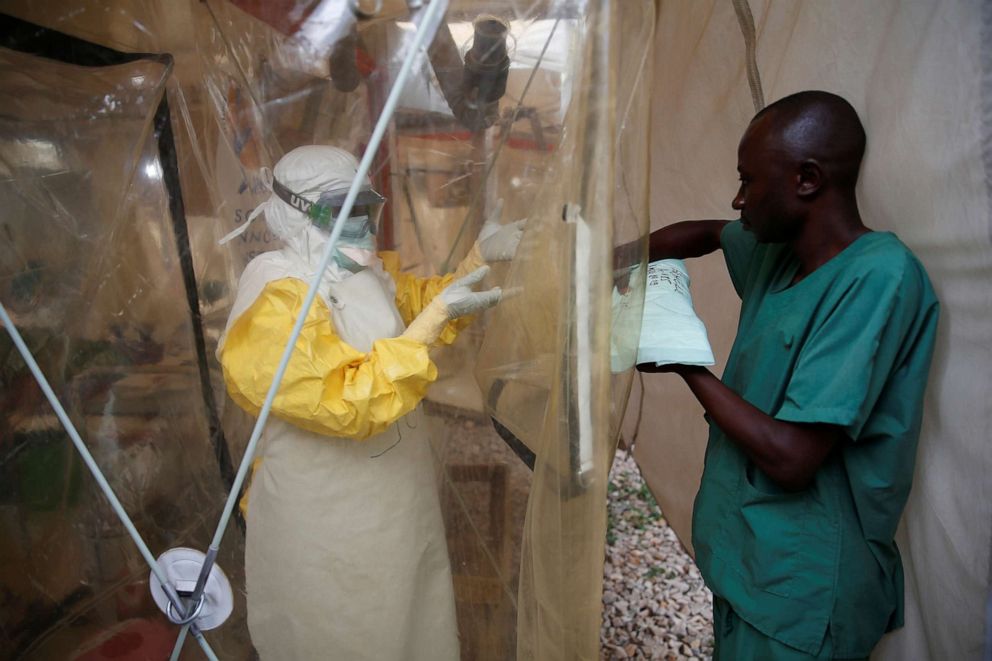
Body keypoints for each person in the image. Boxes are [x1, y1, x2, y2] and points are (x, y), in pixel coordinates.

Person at [635, 91, 940, 660]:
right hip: (748, 564)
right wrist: (616, 259)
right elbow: (704, 233)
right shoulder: (782, 254)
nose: (738, 198)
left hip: (801, 592)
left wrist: (679, 356)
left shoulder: (878, 279)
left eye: (748, 182)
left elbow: (793, 458)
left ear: (806, 179)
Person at [217, 145, 523, 660]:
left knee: (409, 620)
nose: (362, 222)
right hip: (323, 519)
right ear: (297, 213)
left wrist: (479, 261)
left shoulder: (361, 272)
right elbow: (345, 401)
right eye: (344, 210)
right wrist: (427, 330)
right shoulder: (274, 299)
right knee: (341, 633)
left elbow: (418, 308)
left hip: (395, 502)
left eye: (366, 206)